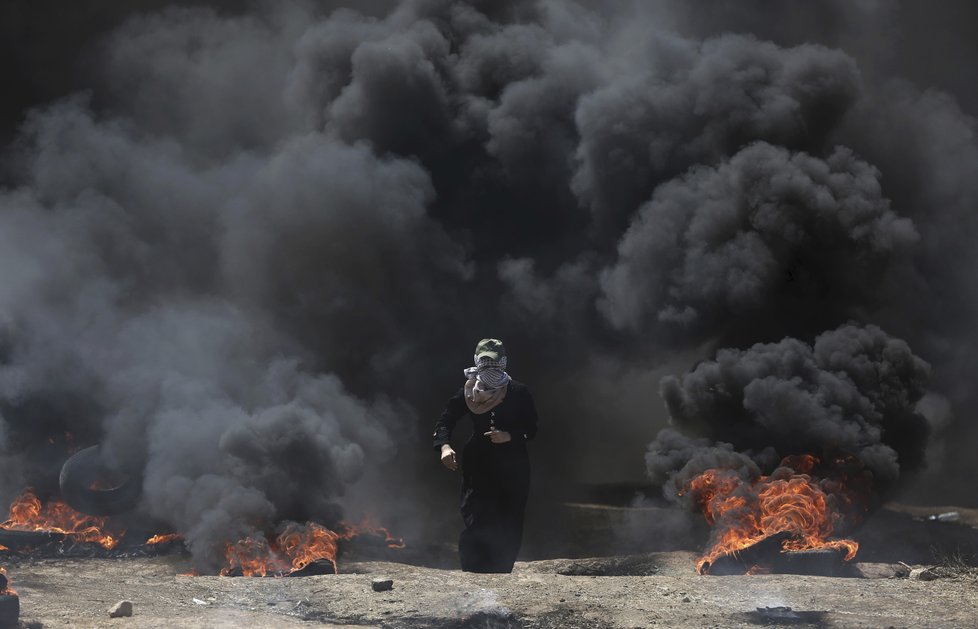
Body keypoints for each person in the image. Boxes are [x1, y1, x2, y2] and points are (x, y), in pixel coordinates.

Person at [432, 338, 538, 573]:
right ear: (477, 361)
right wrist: (444, 446)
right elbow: (446, 420)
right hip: (478, 464)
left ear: (503, 362)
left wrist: (509, 435)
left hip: (513, 466)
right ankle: (474, 570)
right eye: (485, 360)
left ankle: (501, 570)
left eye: (494, 360)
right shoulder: (469, 391)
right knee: (476, 515)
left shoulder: (518, 392)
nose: (489, 366)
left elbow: (532, 428)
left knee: (509, 518)